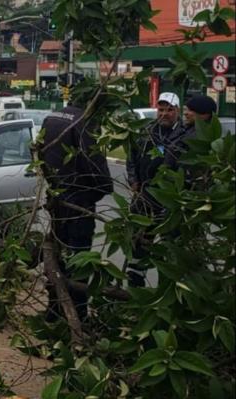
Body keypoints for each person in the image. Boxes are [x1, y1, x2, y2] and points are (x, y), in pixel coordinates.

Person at [38, 101, 114, 321]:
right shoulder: (84, 122)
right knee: (80, 260)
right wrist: (102, 189)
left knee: (59, 257)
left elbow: (40, 153)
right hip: (79, 200)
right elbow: (94, 162)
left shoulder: (51, 117)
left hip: (57, 199)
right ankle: (77, 316)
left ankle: (54, 311)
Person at [125, 92, 183, 286]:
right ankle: (135, 288)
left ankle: (167, 290)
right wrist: (133, 180)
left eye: (169, 110)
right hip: (144, 199)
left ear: (177, 111)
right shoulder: (147, 131)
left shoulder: (184, 134)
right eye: (161, 109)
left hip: (171, 202)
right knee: (139, 244)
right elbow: (131, 157)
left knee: (170, 248)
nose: (164, 113)